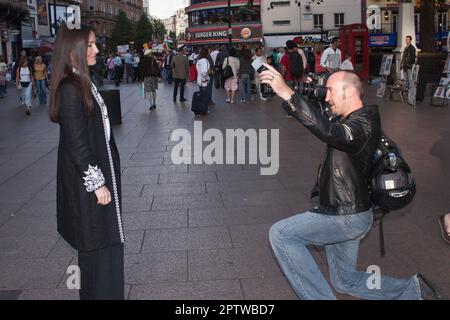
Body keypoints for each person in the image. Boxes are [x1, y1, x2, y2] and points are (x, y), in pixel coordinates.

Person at [259, 64, 441, 300]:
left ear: (351, 92)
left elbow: (331, 133)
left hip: (345, 215)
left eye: (332, 91)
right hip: (350, 212)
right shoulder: (354, 119)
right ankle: (413, 291)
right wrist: (293, 92)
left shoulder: (364, 122)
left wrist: (287, 92)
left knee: (281, 234)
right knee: (344, 280)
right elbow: (323, 122)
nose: (328, 97)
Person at [48, 24, 124, 300]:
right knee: (97, 244)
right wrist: (97, 183)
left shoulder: (83, 80)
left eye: (94, 44)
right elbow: (76, 143)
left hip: (96, 179)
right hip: (87, 186)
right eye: (89, 45)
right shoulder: (70, 88)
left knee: (103, 243)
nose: (96, 49)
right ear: (73, 52)